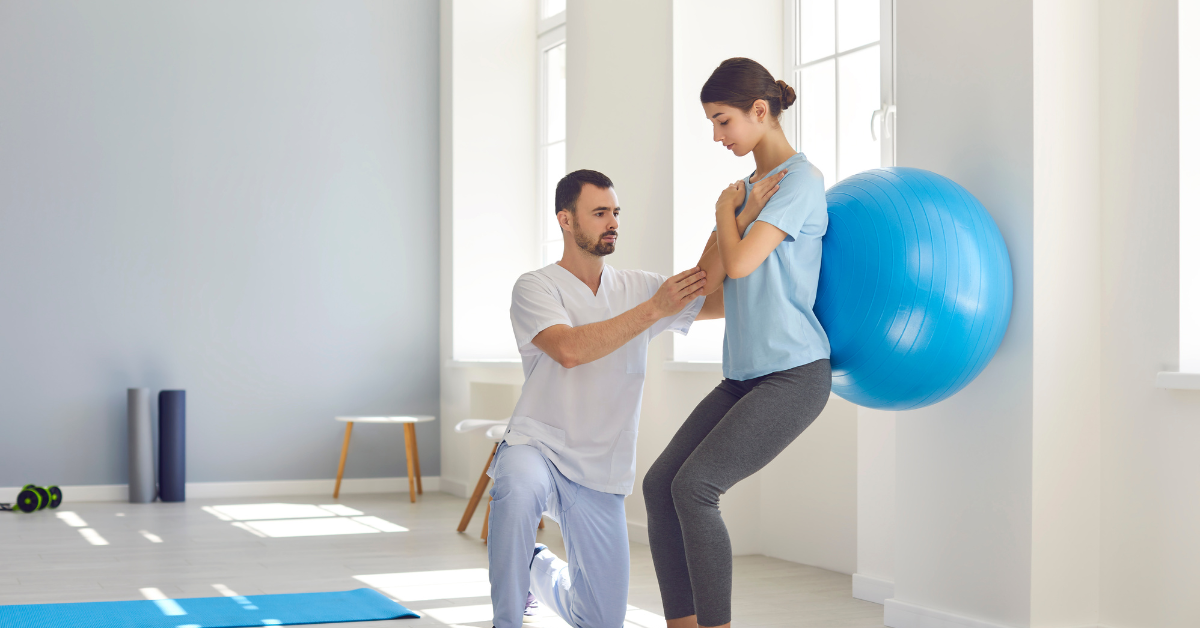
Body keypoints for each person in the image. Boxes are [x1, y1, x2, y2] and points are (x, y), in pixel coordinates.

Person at [488, 169, 725, 628]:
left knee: (602, 621)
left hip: (600, 470)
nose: (611, 221)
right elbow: (570, 350)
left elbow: (712, 297)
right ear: (566, 220)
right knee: (517, 491)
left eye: (615, 212)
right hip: (537, 444)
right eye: (599, 213)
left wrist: (726, 223)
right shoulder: (535, 286)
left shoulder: (638, 286)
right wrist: (656, 308)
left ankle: (537, 567)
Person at [643, 57, 833, 628]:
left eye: (723, 121)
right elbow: (709, 281)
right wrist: (735, 209)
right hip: (744, 376)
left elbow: (744, 263)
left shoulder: (802, 180)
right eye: (713, 124)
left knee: (696, 488)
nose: (719, 136)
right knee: (660, 487)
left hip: (795, 373)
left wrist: (728, 212)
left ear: (760, 111)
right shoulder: (747, 189)